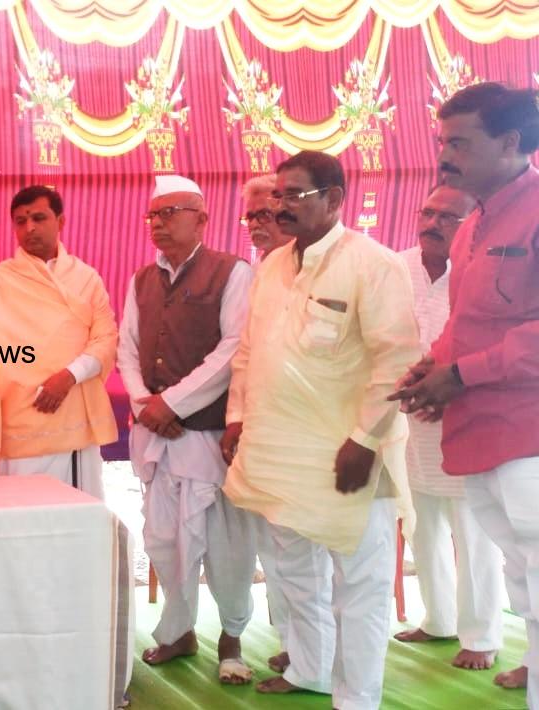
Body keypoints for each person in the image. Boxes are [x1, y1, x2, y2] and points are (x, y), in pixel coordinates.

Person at [222, 151, 421, 709]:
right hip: (280, 450)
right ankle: (309, 669)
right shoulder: (272, 267)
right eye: (277, 195)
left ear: (334, 199)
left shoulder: (373, 264)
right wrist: (237, 417)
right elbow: (250, 352)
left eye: (294, 195)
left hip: (350, 455)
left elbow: (396, 360)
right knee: (294, 570)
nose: (280, 207)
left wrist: (364, 440)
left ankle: (356, 699)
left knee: (360, 584)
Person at [392, 82, 539, 701]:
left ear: (510, 142)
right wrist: (432, 366)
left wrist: (460, 375)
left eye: (460, 142)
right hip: (478, 432)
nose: (445, 156)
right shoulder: (472, 224)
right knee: (523, 579)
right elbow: (463, 322)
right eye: (442, 142)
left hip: (527, 432)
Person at [117, 174, 257, 683]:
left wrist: (171, 403)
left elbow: (234, 348)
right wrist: (144, 404)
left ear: (201, 219)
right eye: (153, 214)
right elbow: (127, 349)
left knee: (226, 544)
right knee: (164, 539)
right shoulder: (141, 280)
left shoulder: (233, 271)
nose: (158, 223)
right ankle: (179, 632)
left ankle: (232, 637)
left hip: (209, 434)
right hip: (159, 435)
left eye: (170, 212)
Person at [392, 183, 505, 671]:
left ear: (471, 224)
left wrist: (447, 389)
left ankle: (481, 635)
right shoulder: (394, 268)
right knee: (422, 524)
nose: (432, 223)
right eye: (427, 213)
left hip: (463, 413)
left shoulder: (481, 273)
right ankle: (438, 619)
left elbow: (489, 344)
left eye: (447, 217)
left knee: (473, 532)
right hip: (405, 418)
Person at [0, 185, 116, 497]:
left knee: (76, 513)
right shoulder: (2, 278)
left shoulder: (86, 278)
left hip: (72, 412)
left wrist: (69, 377)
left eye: (39, 218)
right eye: (20, 221)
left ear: (60, 221)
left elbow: (106, 339)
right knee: (21, 511)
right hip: (21, 416)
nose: (29, 228)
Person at [236, 172, 294, 673]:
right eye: (250, 215)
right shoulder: (256, 271)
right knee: (273, 545)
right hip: (261, 429)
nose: (257, 223)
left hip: (308, 432)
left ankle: (316, 649)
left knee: (304, 547)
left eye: (266, 213)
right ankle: (293, 642)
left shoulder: (312, 265)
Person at [241, 174, 293, 261]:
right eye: (250, 217)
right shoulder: (257, 266)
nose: (253, 225)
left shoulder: (311, 262)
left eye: (264, 214)